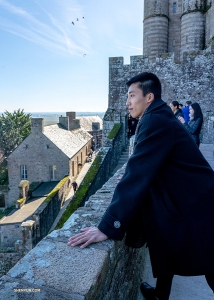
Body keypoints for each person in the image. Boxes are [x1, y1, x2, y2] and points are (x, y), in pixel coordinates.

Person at [68, 72, 214, 300]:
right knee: (167, 244)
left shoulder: (154, 120)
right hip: (191, 199)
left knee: (212, 263)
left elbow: (138, 173)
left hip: (201, 203)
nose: (127, 102)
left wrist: (108, 226)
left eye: (131, 95)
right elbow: (149, 161)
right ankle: (160, 295)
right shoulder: (159, 116)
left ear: (149, 97)